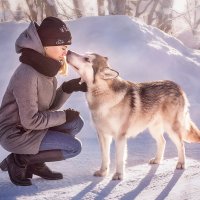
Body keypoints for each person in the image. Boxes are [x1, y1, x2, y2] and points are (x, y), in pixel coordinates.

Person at [0, 17, 87, 186]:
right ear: (46, 45)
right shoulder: (27, 73)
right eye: (63, 47)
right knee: (74, 147)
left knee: (76, 123)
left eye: (67, 47)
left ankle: (35, 161)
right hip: (16, 134)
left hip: (31, 128)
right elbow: (31, 120)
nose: (65, 52)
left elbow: (48, 107)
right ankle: (20, 159)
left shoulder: (46, 69)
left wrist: (67, 88)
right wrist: (63, 116)